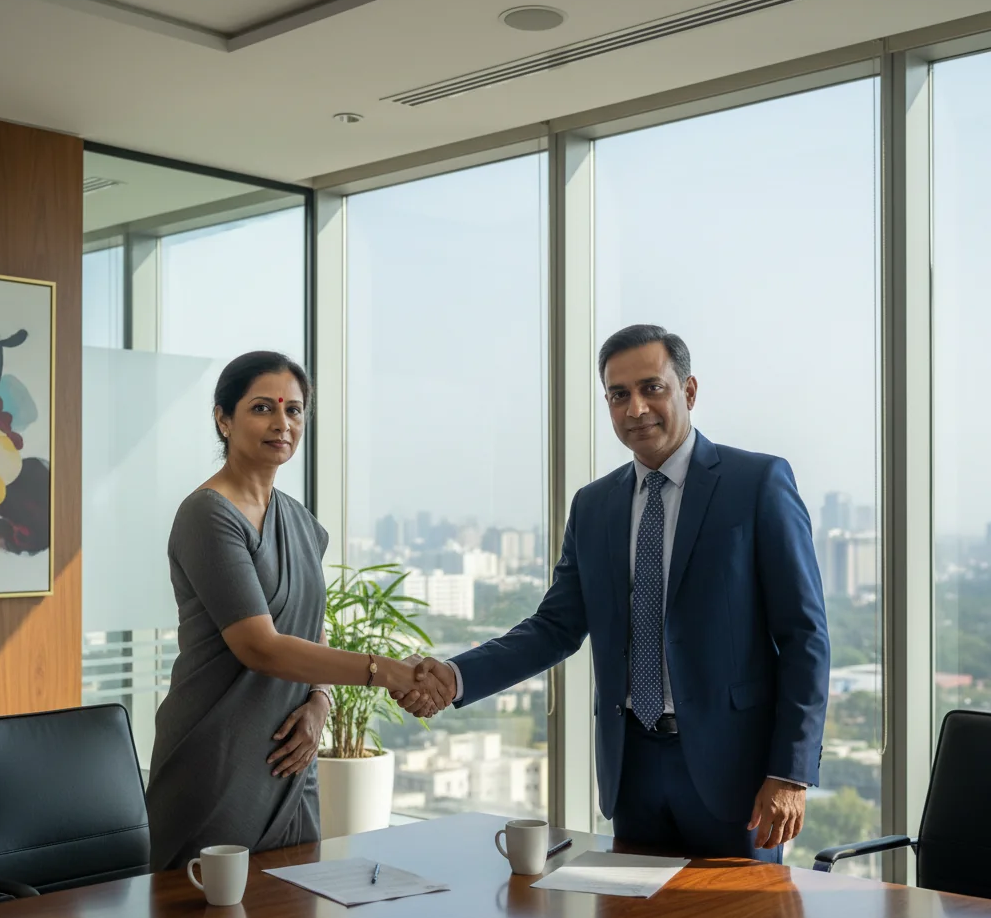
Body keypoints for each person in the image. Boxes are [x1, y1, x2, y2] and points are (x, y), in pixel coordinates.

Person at [399, 325, 830, 862]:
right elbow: (555, 627)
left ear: (688, 391)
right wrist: (456, 676)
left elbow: (804, 636)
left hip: (736, 775)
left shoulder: (757, 483)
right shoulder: (594, 505)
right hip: (633, 771)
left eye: (652, 388)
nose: (636, 408)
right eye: (618, 395)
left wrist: (789, 772)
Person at [146, 351, 451, 871]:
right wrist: (389, 672)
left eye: (294, 410)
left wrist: (321, 704)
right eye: (262, 408)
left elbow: (313, 628)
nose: (282, 423)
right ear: (223, 418)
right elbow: (260, 646)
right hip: (219, 755)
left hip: (293, 755)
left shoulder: (303, 523)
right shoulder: (206, 515)